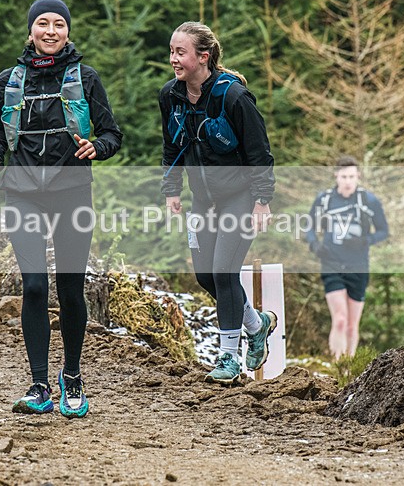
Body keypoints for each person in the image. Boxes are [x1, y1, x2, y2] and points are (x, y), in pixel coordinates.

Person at [0, 0, 122, 417]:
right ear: (30, 31)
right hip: (21, 191)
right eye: (42, 23)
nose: (51, 31)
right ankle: (39, 385)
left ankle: (72, 377)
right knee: (36, 286)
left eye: (59, 24)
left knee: (70, 290)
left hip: (72, 192)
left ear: (68, 32)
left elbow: (113, 134)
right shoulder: (10, 79)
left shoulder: (86, 77)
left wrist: (97, 147)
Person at [160, 21, 277, 386]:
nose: (173, 59)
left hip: (240, 198)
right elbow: (171, 145)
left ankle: (229, 357)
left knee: (225, 273)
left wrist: (262, 200)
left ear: (203, 57)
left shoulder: (233, 97)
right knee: (206, 276)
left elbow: (260, 152)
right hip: (203, 201)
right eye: (171, 51)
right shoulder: (171, 95)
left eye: (181, 52)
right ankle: (257, 325)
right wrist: (172, 188)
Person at [305, 156, 389, 360]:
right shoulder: (324, 200)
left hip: (358, 265)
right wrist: (315, 245)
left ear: (358, 176)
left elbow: (383, 231)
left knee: (352, 325)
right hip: (331, 263)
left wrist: (365, 240)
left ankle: (349, 372)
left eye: (352, 176)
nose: (348, 181)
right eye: (344, 176)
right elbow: (308, 227)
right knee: (340, 320)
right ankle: (338, 365)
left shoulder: (369, 201)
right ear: (336, 176)